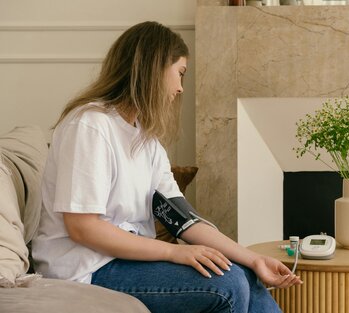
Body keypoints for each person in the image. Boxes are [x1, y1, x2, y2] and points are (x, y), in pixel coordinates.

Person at [32, 21, 301, 313]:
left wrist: (252, 258)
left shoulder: (146, 141)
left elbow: (183, 220)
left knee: (244, 274)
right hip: (85, 268)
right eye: (180, 73)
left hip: (125, 261)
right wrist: (175, 253)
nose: (180, 87)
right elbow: (84, 228)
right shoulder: (90, 125)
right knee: (228, 284)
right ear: (153, 68)